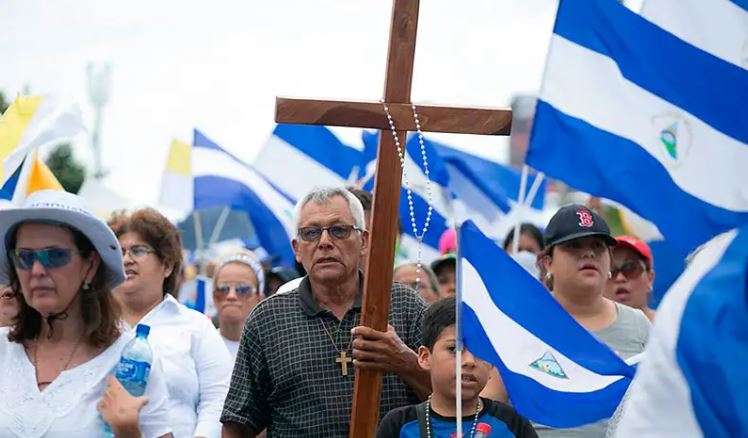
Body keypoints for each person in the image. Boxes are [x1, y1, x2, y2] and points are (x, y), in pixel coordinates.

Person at [221, 186, 430, 437]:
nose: (324, 242)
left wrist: (404, 362)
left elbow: (454, 400)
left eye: (339, 230)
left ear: (363, 241)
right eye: (311, 233)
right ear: (297, 249)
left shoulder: (404, 304)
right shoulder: (268, 319)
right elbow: (239, 423)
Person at [0, 190, 172, 437]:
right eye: (24, 257)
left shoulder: (130, 364)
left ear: (90, 266)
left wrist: (128, 432)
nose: (36, 270)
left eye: (55, 255)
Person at [527, 205, 650, 437]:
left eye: (598, 246)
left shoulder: (638, 325)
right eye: (573, 246)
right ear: (547, 262)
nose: (589, 253)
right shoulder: (523, 322)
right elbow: (489, 405)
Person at [110, 208, 232, 438]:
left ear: (166, 265)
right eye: (119, 251)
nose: (126, 259)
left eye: (138, 250)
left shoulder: (195, 326)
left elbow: (218, 397)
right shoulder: (92, 325)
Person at [377, 297, 537, 438]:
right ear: (425, 357)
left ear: (492, 365)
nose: (469, 361)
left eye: (480, 351)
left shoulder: (511, 422)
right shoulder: (400, 425)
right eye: (454, 349)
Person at [212, 249, 265, 361]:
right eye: (223, 289)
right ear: (214, 296)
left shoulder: (271, 352)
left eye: (243, 289)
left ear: (259, 299)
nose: (231, 296)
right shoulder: (201, 347)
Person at [604, 236, 656, 321]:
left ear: (650, 278)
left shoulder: (670, 327)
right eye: (610, 270)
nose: (620, 278)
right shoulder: (585, 331)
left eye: (630, 268)